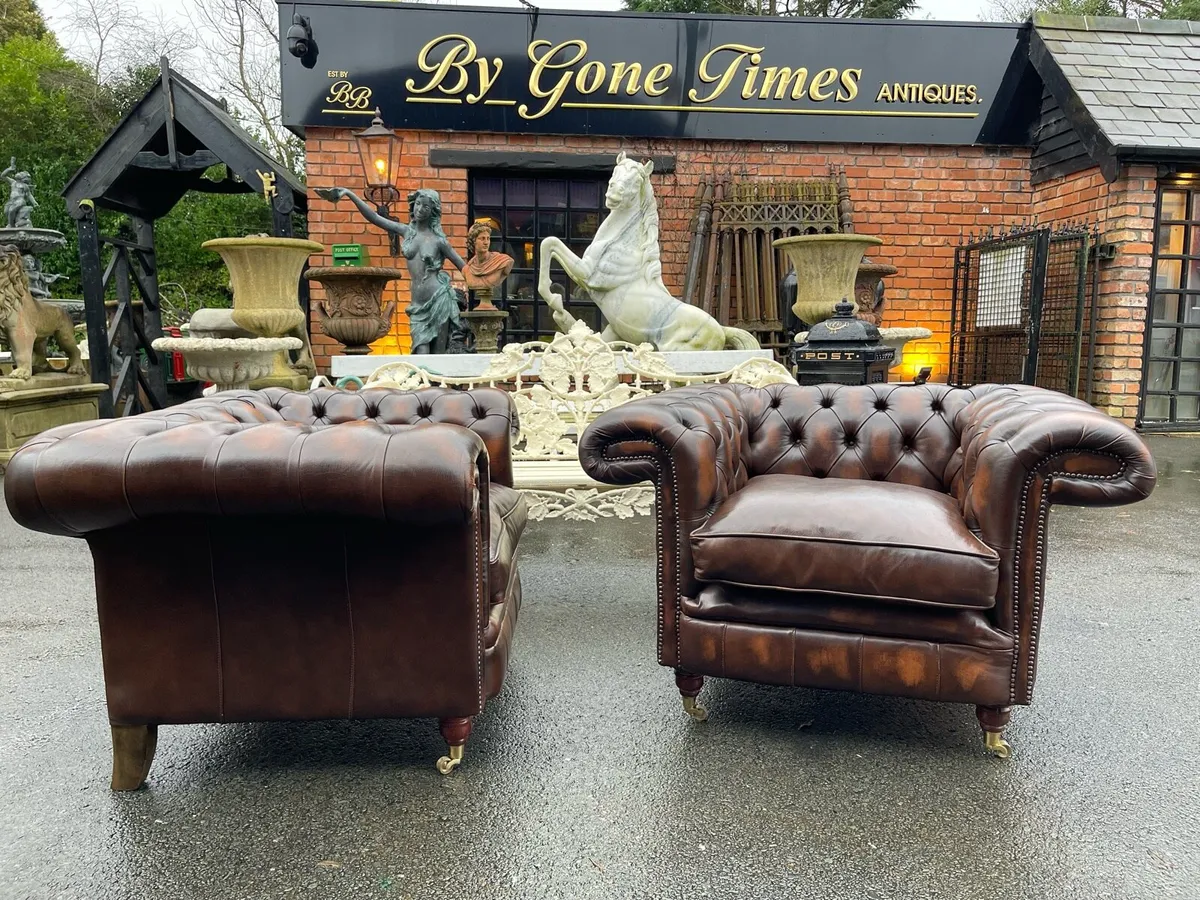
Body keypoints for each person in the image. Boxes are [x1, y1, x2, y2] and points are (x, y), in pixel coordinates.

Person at [316, 186, 466, 354]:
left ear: (433, 211)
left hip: (439, 300)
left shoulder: (439, 241)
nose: (420, 209)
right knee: (421, 352)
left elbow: (464, 267)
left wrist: (486, 273)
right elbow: (374, 217)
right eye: (417, 204)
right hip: (418, 304)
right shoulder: (406, 232)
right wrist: (349, 194)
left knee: (439, 358)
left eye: (425, 206)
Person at [462, 219, 514, 309]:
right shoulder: (466, 270)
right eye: (482, 239)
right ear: (473, 241)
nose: (486, 242)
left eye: (488, 238)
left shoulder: (503, 261)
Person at [2, 158, 37, 230]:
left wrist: (34, 202)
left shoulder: (25, 186)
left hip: (20, 200)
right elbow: (3, 176)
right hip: (11, 201)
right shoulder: (13, 182)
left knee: (12, 210)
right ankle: (14, 224)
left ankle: (11, 226)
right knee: (6, 211)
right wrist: (10, 169)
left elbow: (29, 195)